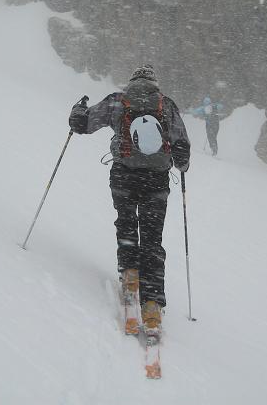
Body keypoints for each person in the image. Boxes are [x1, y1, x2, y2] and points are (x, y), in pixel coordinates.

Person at [68, 64, 190, 334]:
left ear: (132, 81)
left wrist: (78, 109)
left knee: (126, 225)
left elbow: (82, 124)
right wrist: (180, 163)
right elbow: (182, 149)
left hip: (124, 176)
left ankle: (130, 275)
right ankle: (152, 302)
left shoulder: (117, 101)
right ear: (155, 83)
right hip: (156, 182)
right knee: (152, 239)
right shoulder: (166, 105)